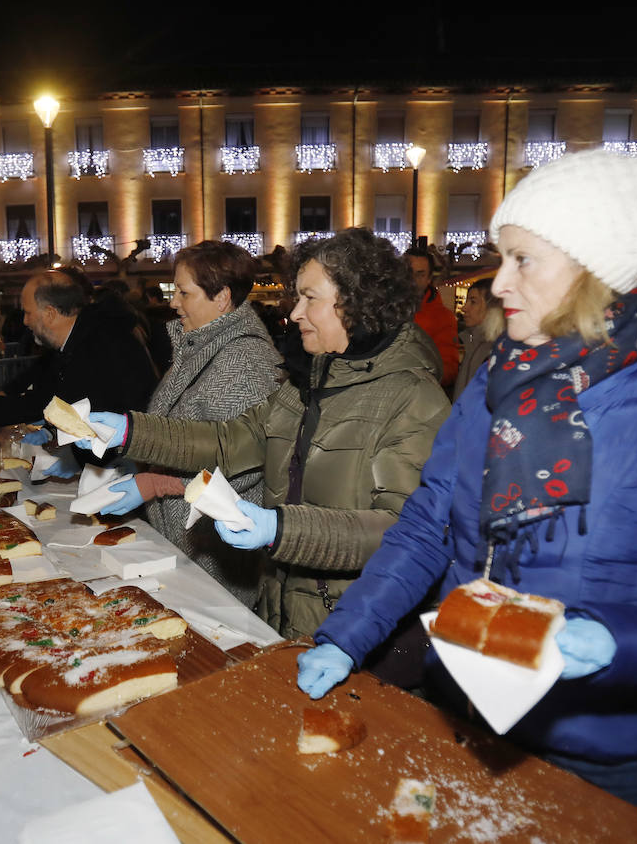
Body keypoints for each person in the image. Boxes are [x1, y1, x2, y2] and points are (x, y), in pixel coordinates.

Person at [298, 150, 637, 814]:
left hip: (599, 756)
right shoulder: (492, 383)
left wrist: (618, 641)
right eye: (500, 257)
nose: (499, 283)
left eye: (523, 260)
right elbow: (426, 525)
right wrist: (345, 635)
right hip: (462, 712)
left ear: (599, 269)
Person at [76, 228, 450, 639]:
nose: (294, 313)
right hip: (283, 608)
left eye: (311, 298)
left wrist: (281, 529)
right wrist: (130, 432)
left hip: (355, 626)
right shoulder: (308, 380)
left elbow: (402, 532)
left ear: (359, 303)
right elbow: (228, 440)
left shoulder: (413, 398)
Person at [99, 242, 282, 605]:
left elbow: (239, 468)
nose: (173, 302)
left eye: (184, 292)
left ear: (222, 298)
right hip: (186, 541)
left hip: (216, 555)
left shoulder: (244, 362)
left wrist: (156, 482)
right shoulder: (202, 345)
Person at [0, 268, 158, 431]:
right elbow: (43, 399)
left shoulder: (100, 343)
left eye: (28, 312)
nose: (24, 321)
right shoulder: (77, 341)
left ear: (50, 313)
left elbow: (93, 410)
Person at [406, 249, 459, 388]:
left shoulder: (442, 317)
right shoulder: (384, 308)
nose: (412, 279)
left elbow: (449, 367)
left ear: (429, 278)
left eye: (420, 274)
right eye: (408, 272)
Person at [452, 277, 504, 401]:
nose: (464, 308)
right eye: (467, 301)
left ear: (492, 307)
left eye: (473, 302)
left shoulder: (495, 349)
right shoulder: (473, 342)